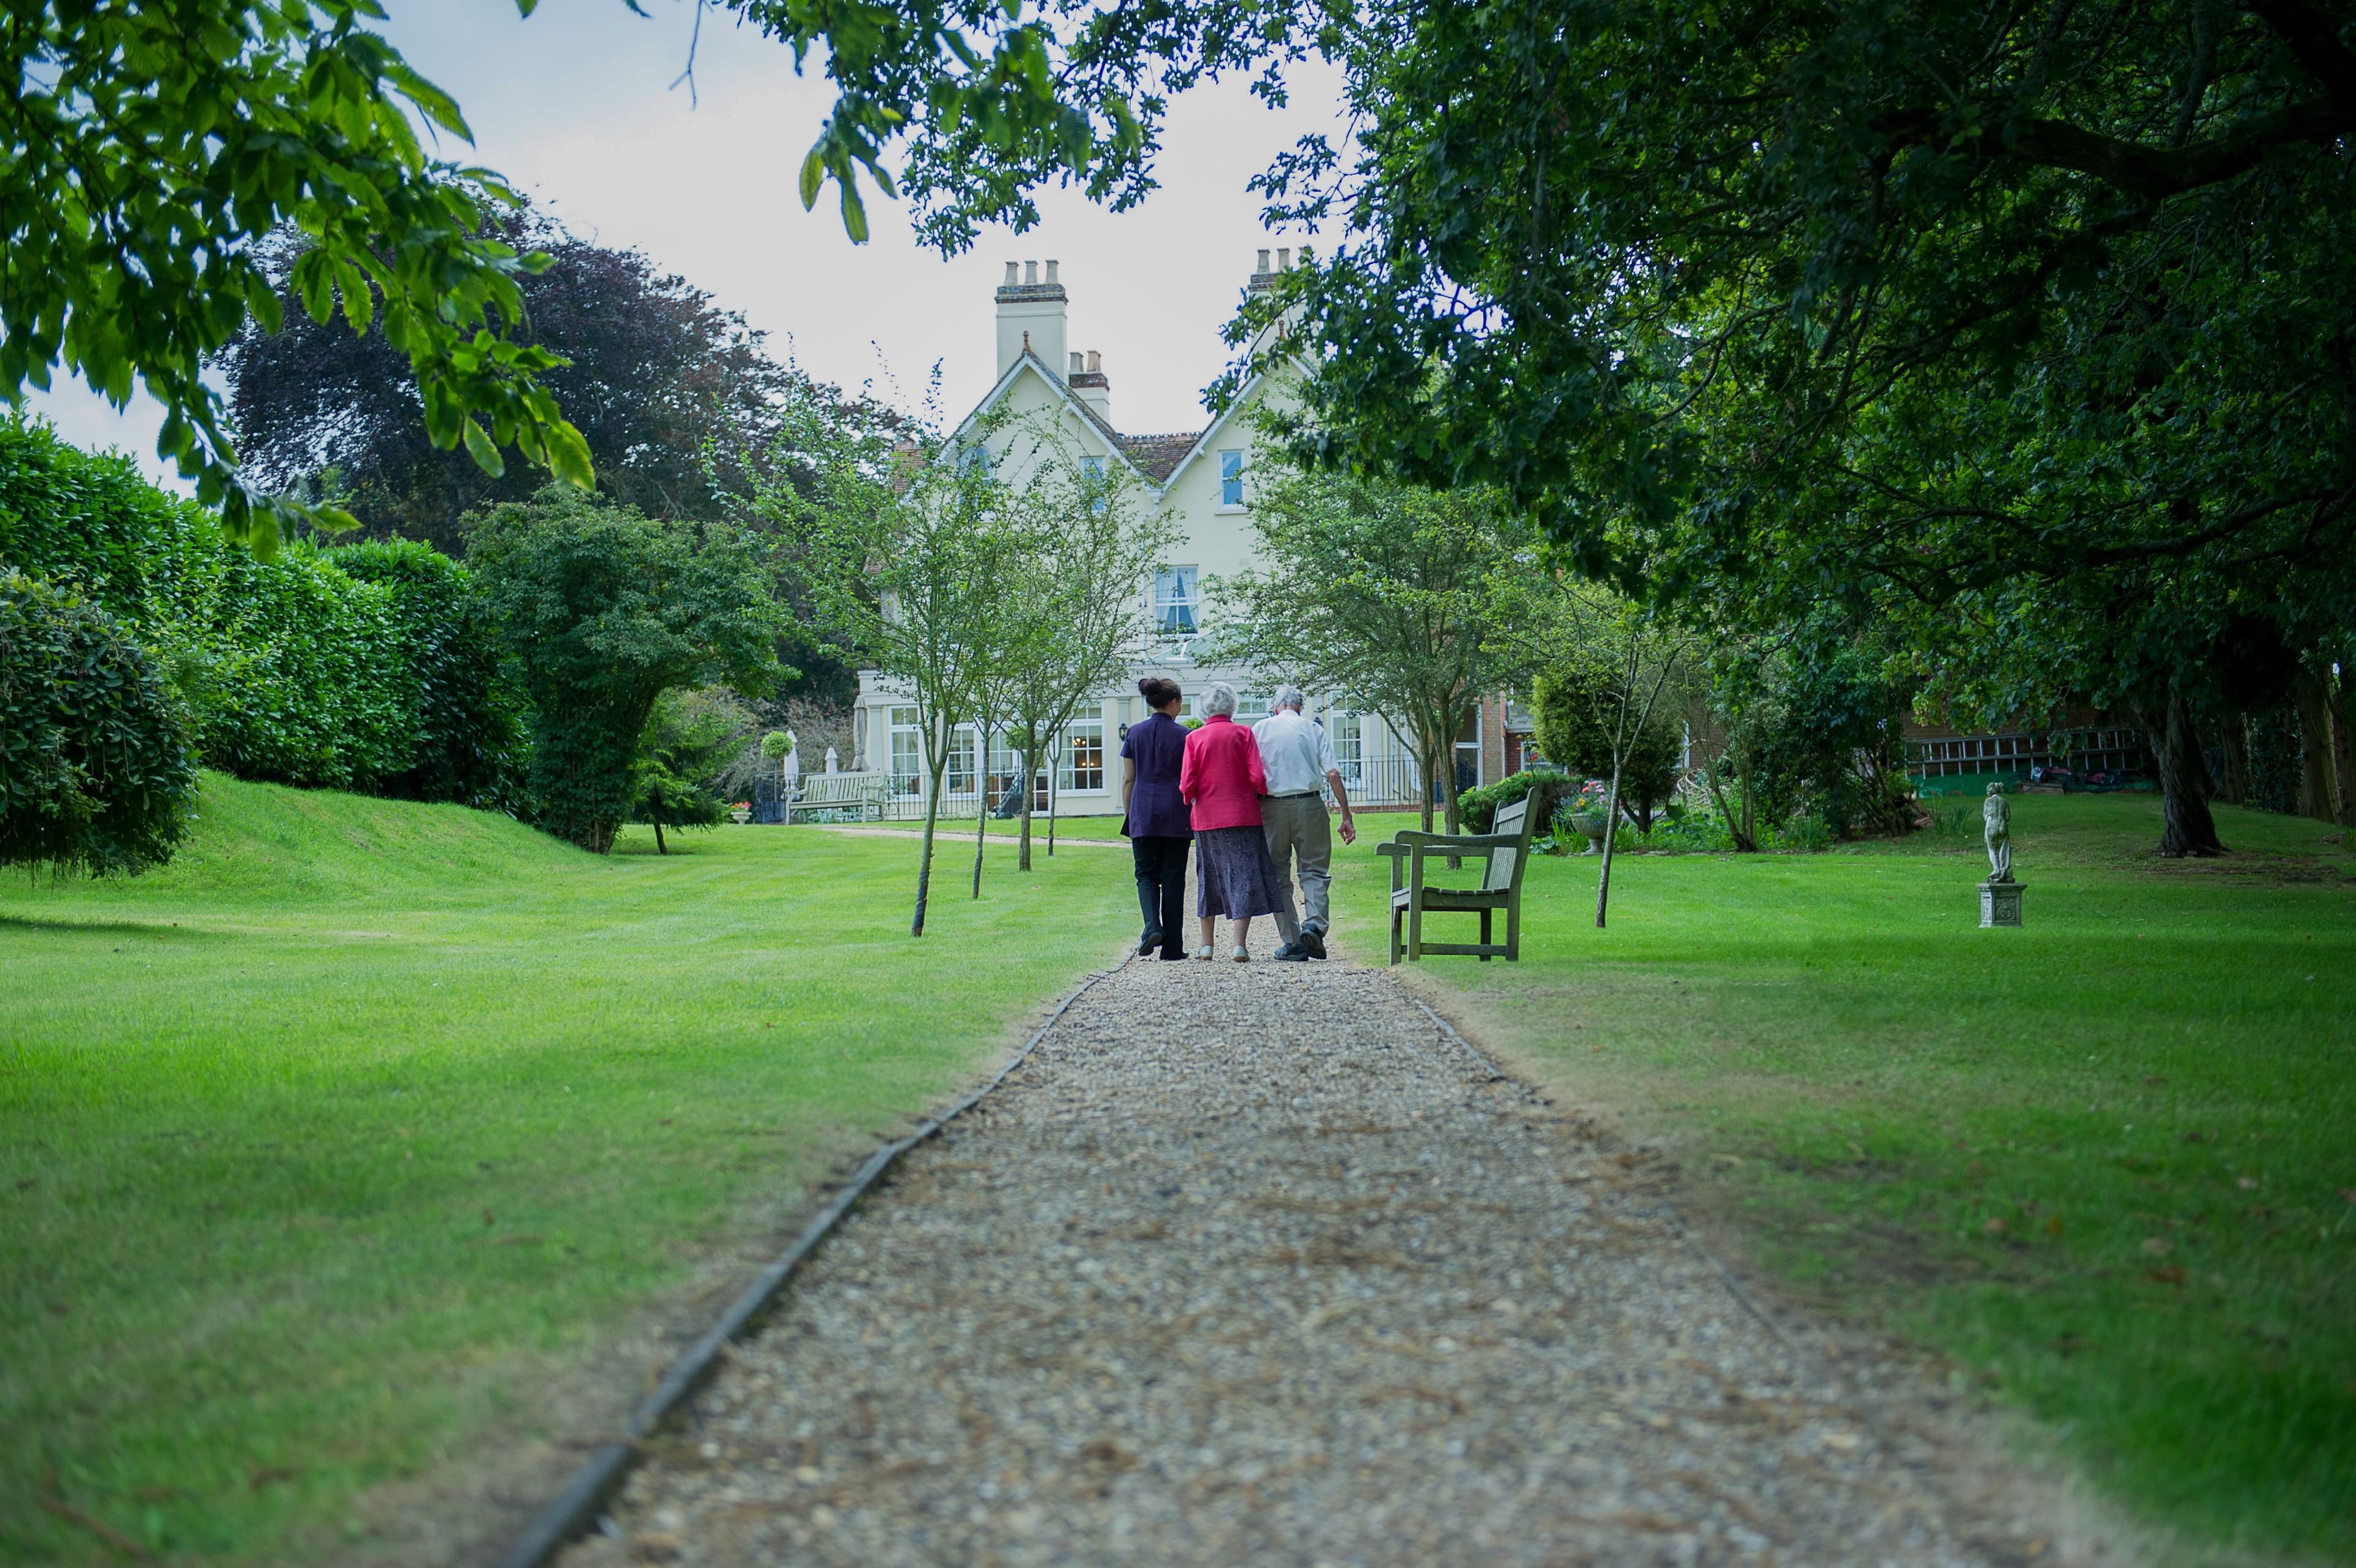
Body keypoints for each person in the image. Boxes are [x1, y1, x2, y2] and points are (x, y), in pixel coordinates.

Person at [1178, 682, 1288, 962]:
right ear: (1233, 706)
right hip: (1243, 815)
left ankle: (1206, 946)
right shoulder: (1243, 734)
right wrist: (1260, 793)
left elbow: (1187, 782)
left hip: (1206, 818)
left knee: (1209, 879)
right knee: (1243, 877)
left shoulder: (1194, 738)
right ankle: (1238, 945)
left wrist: (1189, 798)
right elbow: (1257, 777)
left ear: (1205, 708)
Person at [1252, 685, 1357, 961]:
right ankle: (1315, 925)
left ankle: (1291, 941)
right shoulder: (1313, 728)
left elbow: (1250, 773)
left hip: (1271, 807)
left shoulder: (1259, 730)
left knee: (1277, 875)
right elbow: (1333, 773)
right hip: (1310, 804)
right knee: (1315, 870)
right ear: (1300, 707)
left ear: (1275, 708)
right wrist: (1346, 815)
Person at [1120, 676, 1192, 959]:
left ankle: (1151, 926)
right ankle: (1173, 948)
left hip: (1143, 813)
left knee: (1146, 875)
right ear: (1173, 702)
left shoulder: (1134, 733)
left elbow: (1128, 779)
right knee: (1174, 879)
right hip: (1176, 813)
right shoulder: (1186, 736)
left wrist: (1130, 814)